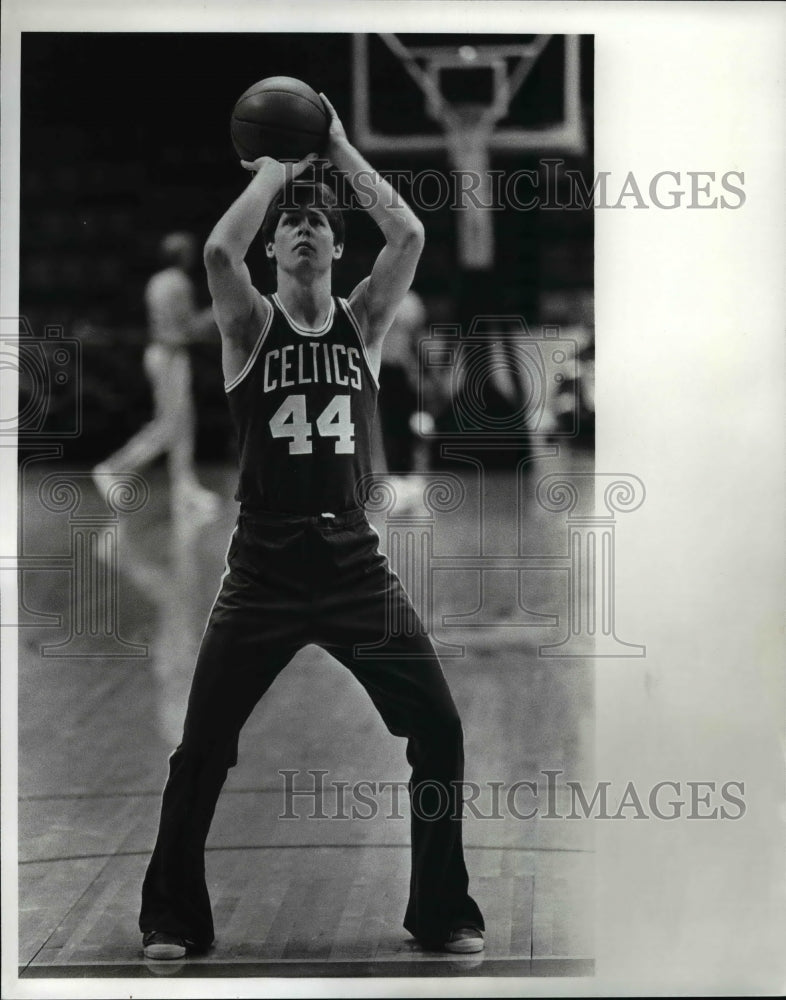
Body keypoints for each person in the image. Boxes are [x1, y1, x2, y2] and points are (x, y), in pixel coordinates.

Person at [138, 95, 485, 960]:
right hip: (261, 565)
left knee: (439, 728)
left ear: (335, 247)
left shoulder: (362, 321)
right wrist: (277, 173)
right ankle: (172, 918)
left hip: (351, 561)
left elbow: (407, 235)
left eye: (317, 224)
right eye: (289, 225)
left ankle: (441, 910)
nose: (302, 230)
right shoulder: (247, 322)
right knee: (202, 751)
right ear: (273, 249)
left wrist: (335, 145)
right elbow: (221, 249)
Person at [92, 232, 221, 516]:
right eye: (189, 250)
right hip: (170, 357)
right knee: (168, 426)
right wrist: (217, 311)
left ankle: (185, 491)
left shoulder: (157, 281)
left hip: (162, 355)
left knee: (183, 426)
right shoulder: (178, 283)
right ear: (182, 255)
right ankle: (112, 469)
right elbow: (189, 329)